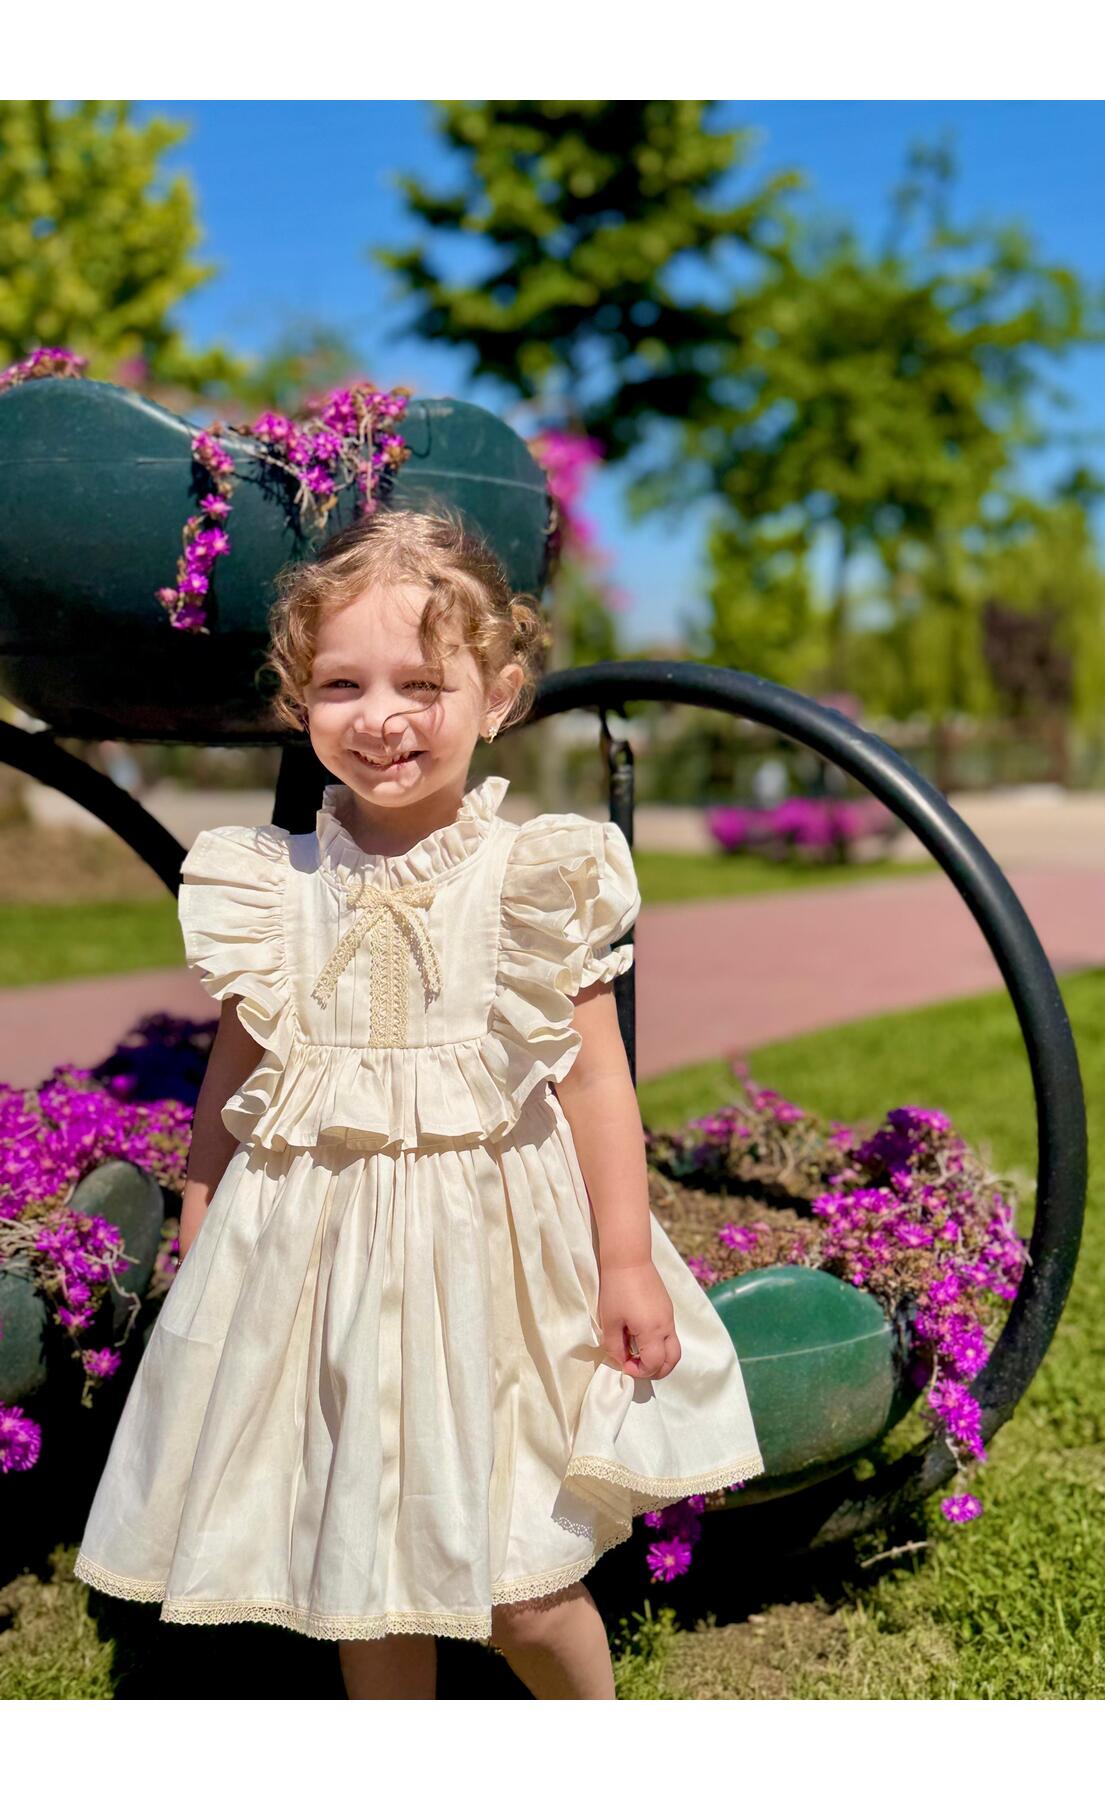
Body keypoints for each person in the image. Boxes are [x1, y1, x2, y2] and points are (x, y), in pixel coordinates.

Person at [72, 506, 764, 1700]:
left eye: (421, 682)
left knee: (521, 1583)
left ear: (496, 696)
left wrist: (627, 1260)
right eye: (342, 683)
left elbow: (598, 1077)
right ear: (298, 702)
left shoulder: (529, 875)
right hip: (319, 1268)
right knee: (364, 1564)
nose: (382, 717)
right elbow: (237, 1073)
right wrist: (200, 1222)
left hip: (488, 1268)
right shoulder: (273, 886)